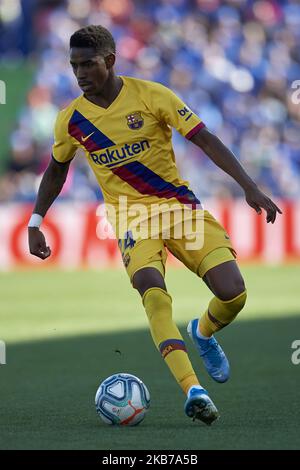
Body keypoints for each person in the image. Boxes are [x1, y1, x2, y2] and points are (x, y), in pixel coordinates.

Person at [28, 25, 282, 425]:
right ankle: (193, 390)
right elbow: (56, 170)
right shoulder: (70, 120)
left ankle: (203, 331)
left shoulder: (152, 95)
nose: (80, 74)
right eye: (74, 65)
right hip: (130, 218)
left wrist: (249, 187)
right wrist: (36, 220)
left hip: (179, 207)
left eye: (88, 64)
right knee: (152, 289)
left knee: (234, 294)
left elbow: (206, 139)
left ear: (110, 61)